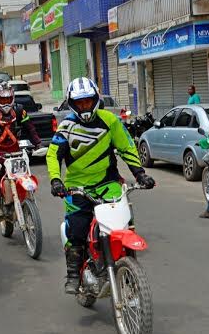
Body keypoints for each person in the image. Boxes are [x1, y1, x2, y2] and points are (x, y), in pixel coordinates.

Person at [46, 77, 155, 294]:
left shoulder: (110, 120)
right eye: (80, 103)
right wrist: (56, 180)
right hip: (77, 188)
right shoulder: (66, 127)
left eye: (88, 101)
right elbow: (53, 155)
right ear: (72, 104)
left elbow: (127, 148)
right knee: (76, 228)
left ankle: (125, 265)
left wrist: (140, 174)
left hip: (109, 184)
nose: (85, 106)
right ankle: (74, 274)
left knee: (123, 222)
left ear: (95, 99)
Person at [0, 82, 42, 218]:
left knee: (24, 174)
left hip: (16, 151)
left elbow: (31, 129)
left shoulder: (19, 111)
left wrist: (38, 144)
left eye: (8, 99)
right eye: (2, 99)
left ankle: (26, 200)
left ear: (12, 98)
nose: (6, 102)